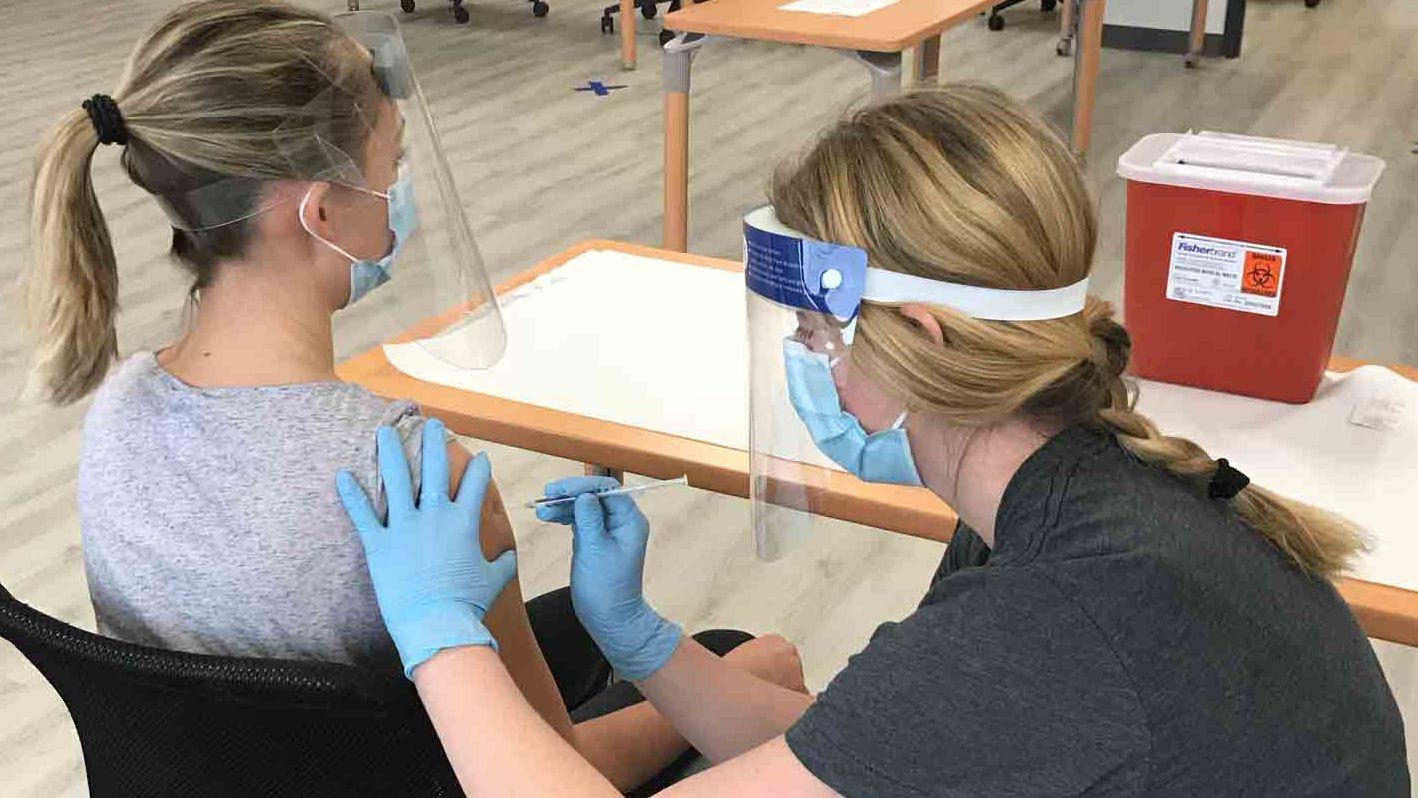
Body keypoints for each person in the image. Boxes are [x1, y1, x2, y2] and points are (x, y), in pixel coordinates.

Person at [338, 85, 1410, 797]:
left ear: (921, 339)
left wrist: (442, 633)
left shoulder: (1055, 616)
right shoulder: (1067, 490)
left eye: (813, 333)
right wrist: (636, 638)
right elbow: (854, 748)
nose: (810, 364)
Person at [21, 1, 803, 791]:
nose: (399, 196)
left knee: (575, 623)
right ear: (319, 212)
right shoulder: (419, 480)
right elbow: (563, 769)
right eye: (390, 170)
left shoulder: (118, 408)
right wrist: (753, 676)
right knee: (747, 652)